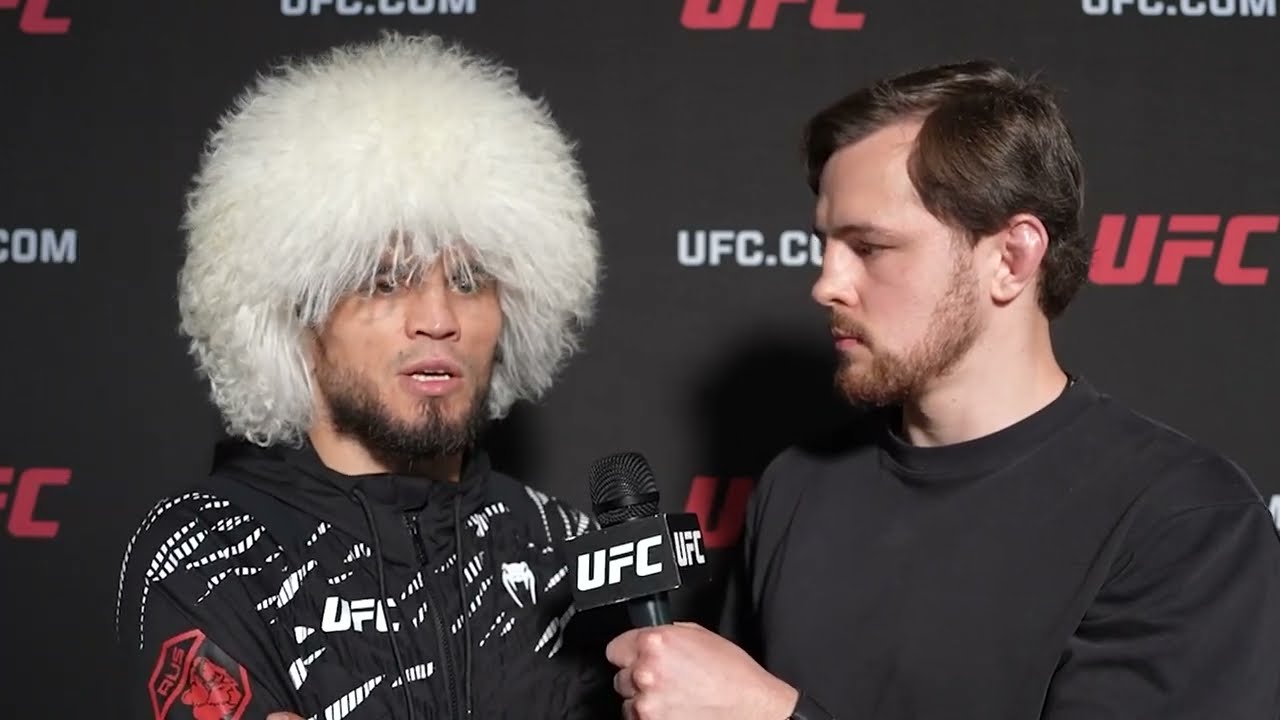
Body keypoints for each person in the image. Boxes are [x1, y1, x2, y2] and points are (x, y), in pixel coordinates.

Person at [604, 60, 1280, 719]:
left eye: (869, 247)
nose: (825, 284)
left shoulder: (1182, 522)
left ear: (1012, 258)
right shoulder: (795, 487)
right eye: (825, 245)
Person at [114, 31, 620, 720]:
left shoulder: (564, 548)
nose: (438, 319)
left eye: (469, 280)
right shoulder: (210, 553)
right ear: (297, 311)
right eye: (385, 281)